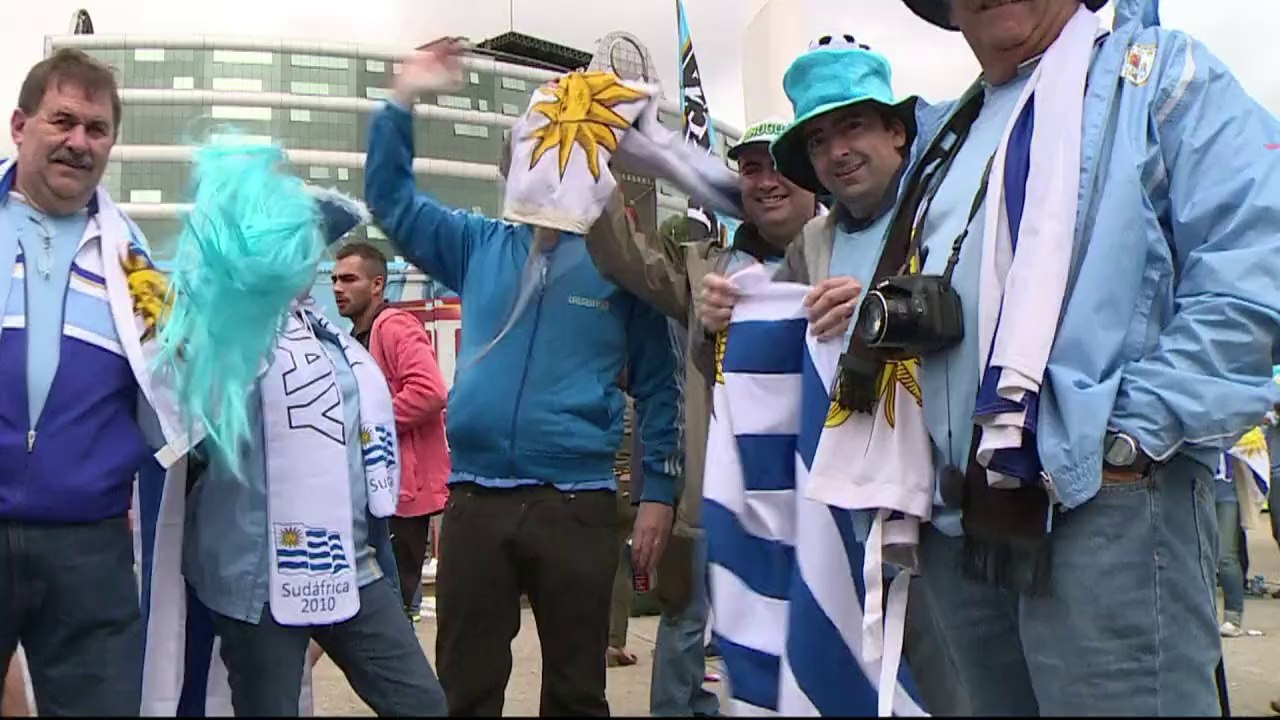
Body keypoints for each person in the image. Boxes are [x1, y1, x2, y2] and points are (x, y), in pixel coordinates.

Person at [882, 0, 1280, 714]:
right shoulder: (947, 131)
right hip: (960, 526)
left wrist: (1131, 438)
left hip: (1108, 506)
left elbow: (1256, 261)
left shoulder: (1161, 75)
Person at [365, 42, 682, 717]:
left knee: (575, 690)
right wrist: (401, 100)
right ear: (507, 168)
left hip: (578, 503)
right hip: (476, 499)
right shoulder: (476, 243)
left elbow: (660, 384)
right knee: (464, 688)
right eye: (527, 154)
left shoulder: (619, 264)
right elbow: (390, 202)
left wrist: (660, 491)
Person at [692, 36, 968, 716]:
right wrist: (721, 323)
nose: (837, 151)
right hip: (847, 520)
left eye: (852, 126)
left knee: (953, 694)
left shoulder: (953, 207)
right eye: (818, 140)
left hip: (949, 512)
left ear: (897, 131)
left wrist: (884, 312)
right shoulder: (811, 246)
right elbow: (766, 374)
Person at [172, 146, 447, 717]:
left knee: (421, 704)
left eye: (304, 242)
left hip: (354, 563)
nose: (299, 254)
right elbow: (183, 438)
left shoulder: (331, 339)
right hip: (258, 578)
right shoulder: (218, 335)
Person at [587, 117, 817, 717]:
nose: (766, 181)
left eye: (779, 165)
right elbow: (621, 255)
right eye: (751, 169)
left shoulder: (858, 246)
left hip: (819, 489)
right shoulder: (701, 267)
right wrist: (591, 153)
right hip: (720, 489)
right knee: (689, 620)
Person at [0, 49, 195, 715]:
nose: (79, 142)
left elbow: (188, 382)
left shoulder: (136, 265)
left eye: (97, 128)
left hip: (90, 549)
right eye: (62, 121)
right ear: (19, 125)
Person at [333, 242, 450, 617]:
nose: (337, 287)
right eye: (334, 279)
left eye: (349, 279)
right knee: (378, 605)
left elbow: (429, 391)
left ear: (378, 284)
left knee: (390, 608)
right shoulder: (356, 338)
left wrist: (369, 424)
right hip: (381, 493)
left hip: (402, 494)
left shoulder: (394, 327)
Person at [606, 393, 639, 668]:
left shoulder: (596, 400)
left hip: (597, 487)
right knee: (620, 568)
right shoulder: (633, 406)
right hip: (628, 490)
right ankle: (615, 642)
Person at [1213, 455, 1247, 637]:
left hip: (1226, 490)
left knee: (1226, 556)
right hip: (1194, 486)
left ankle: (1233, 618)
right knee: (1197, 556)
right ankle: (1202, 616)